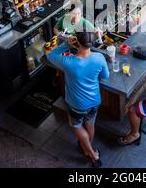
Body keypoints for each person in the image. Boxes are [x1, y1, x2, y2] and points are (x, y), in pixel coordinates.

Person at [47, 30, 110, 167]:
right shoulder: (99, 58)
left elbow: (51, 56)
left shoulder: (68, 61)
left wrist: (65, 44)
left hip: (76, 104)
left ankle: (92, 154)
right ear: (91, 44)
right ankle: (88, 149)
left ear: (77, 43)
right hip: (94, 101)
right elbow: (105, 76)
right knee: (90, 124)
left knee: (76, 125)